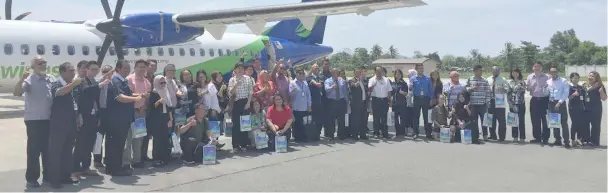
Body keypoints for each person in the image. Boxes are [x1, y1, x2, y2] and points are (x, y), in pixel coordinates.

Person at [13, 56, 54, 188]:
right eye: (40, 63)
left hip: (49, 120)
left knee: (48, 150)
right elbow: (17, 93)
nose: (43, 65)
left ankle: (48, 176)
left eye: (45, 63)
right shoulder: (29, 80)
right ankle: (32, 179)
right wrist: (21, 80)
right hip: (34, 120)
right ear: (33, 66)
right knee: (34, 151)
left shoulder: (51, 78)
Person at [104, 60, 143, 176]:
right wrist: (135, 99)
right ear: (118, 69)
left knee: (119, 144)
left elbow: (128, 94)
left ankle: (115, 166)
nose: (127, 70)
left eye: (128, 68)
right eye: (125, 68)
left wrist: (140, 95)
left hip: (124, 118)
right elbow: (119, 97)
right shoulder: (115, 81)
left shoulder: (123, 81)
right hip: (117, 119)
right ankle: (114, 168)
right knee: (116, 144)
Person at [72, 61, 110, 178]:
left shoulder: (93, 81)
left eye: (96, 69)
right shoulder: (81, 81)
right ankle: (75, 168)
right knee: (81, 143)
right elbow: (85, 92)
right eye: (92, 69)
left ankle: (86, 166)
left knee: (89, 143)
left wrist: (98, 116)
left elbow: (96, 99)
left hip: (94, 116)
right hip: (85, 116)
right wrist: (100, 85)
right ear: (86, 70)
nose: (95, 71)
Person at [47, 62, 81, 189]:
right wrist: (73, 84)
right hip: (59, 124)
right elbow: (59, 93)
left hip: (71, 123)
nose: (73, 72)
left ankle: (65, 176)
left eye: (73, 70)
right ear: (63, 72)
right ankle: (54, 180)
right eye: (71, 70)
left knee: (67, 151)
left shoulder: (72, 85)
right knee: (56, 152)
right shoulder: (56, 83)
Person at [123, 60, 151, 169]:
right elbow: (128, 94)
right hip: (131, 112)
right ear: (135, 67)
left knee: (139, 138)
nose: (142, 69)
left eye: (144, 67)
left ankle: (137, 160)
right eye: (139, 67)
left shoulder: (147, 81)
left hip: (141, 112)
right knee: (128, 138)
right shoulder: (129, 79)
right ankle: (126, 161)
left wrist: (143, 106)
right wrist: (141, 95)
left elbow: (147, 96)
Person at [148, 75, 174, 167]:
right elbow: (151, 107)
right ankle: (156, 158)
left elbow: (169, 107)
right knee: (157, 140)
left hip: (165, 117)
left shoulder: (166, 91)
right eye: (161, 83)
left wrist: (170, 119)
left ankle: (164, 157)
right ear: (156, 83)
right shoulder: (154, 93)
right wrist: (159, 101)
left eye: (164, 82)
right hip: (156, 119)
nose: (163, 84)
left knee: (165, 138)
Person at [228, 63, 254, 152]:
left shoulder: (247, 79)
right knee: (236, 125)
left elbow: (250, 92)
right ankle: (235, 145)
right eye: (237, 68)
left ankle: (243, 144)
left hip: (245, 102)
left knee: (245, 125)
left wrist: (248, 103)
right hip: (236, 103)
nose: (239, 70)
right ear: (235, 69)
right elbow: (230, 92)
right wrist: (236, 85)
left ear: (244, 70)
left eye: (241, 68)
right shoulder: (232, 80)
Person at [545, 66, 570, 148]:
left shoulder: (563, 81)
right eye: (551, 72)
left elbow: (566, 93)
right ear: (549, 73)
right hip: (551, 103)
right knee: (555, 123)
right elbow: (546, 93)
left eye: (555, 71)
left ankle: (566, 141)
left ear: (557, 72)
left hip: (560, 103)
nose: (553, 73)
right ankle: (558, 140)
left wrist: (559, 102)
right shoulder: (548, 81)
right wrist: (544, 88)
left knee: (563, 123)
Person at [94, 65, 114, 167]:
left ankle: (109, 159)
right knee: (98, 138)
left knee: (110, 138)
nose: (107, 73)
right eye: (104, 71)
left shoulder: (114, 83)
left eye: (109, 71)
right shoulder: (98, 82)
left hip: (111, 113)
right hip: (100, 112)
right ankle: (97, 160)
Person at [465, 65, 490, 144]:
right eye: (479, 70)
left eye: (481, 70)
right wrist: (471, 89)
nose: (481, 72)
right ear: (474, 71)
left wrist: (487, 102)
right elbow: (466, 89)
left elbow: (488, 92)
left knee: (484, 121)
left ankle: (485, 135)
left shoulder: (485, 80)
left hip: (482, 104)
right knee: (474, 121)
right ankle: (476, 135)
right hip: (473, 104)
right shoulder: (470, 79)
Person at [526, 62, 550, 143]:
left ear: (542, 68)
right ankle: (537, 137)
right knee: (535, 120)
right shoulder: (530, 77)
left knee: (545, 120)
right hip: (534, 100)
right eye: (535, 66)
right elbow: (528, 88)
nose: (537, 68)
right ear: (533, 68)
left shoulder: (547, 77)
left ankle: (545, 138)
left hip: (544, 100)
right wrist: (528, 87)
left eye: (539, 66)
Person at [324, 68, 349, 140]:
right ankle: (331, 135)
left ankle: (341, 135)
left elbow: (345, 92)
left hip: (341, 101)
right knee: (331, 120)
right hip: (332, 102)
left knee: (341, 119)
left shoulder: (341, 80)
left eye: (336, 72)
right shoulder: (328, 80)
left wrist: (347, 101)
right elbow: (326, 89)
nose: (335, 73)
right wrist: (332, 87)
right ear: (331, 73)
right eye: (334, 72)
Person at [410, 63, 433, 140]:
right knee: (416, 117)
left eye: (422, 68)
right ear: (416, 69)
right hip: (417, 98)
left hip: (426, 99)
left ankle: (428, 133)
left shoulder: (427, 78)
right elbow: (411, 89)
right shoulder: (413, 78)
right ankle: (415, 133)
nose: (421, 70)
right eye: (419, 68)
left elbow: (430, 90)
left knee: (426, 117)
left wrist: (431, 99)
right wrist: (410, 87)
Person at [583, 71, 606, 146]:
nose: (590, 77)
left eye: (592, 76)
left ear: (596, 78)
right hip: (586, 107)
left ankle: (594, 141)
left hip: (596, 108)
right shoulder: (585, 85)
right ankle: (586, 140)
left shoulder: (600, 86)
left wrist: (601, 92)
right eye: (589, 76)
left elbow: (604, 98)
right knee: (585, 124)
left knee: (595, 125)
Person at [289, 68, 312, 142]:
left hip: (304, 107)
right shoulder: (292, 82)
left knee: (304, 123)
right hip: (296, 106)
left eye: (303, 74)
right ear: (296, 74)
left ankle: (304, 136)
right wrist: (293, 91)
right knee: (297, 123)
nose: (302, 75)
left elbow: (308, 94)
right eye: (300, 73)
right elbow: (289, 94)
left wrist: (309, 105)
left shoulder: (305, 83)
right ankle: (297, 137)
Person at [486, 66, 509, 141]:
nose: (495, 71)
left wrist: (502, 88)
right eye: (493, 70)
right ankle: (493, 135)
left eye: (496, 70)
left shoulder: (503, 79)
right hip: (490, 100)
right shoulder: (488, 79)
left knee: (501, 120)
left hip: (499, 100)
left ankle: (502, 136)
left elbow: (507, 89)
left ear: (499, 71)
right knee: (491, 119)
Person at [142, 59, 158, 162]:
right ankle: (139, 156)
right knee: (141, 134)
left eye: (155, 66)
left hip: (153, 109)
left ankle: (144, 155)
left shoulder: (155, 78)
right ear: (147, 66)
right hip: (143, 109)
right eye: (151, 66)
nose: (153, 68)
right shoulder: (142, 78)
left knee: (148, 134)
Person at [348, 67, 369, 140]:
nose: (359, 73)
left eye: (359, 72)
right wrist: (359, 81)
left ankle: (363, 134)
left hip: (363, 103)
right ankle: (355, 135)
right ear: (354, 73)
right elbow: (354, 85)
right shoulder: (351, 80)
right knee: (355, 120)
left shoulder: (364, 81)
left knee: (363, 120)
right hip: (356, 104)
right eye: (357, 72)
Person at [507, 68, 526, 143]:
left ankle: (522, 137)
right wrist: (510, 104)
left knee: (521, 121)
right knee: (513, 121)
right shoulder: (509, 82)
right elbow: (508, 93)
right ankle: (515, 137)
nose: (515, 74)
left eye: (516, 72)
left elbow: (523, 91)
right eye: (513, 72)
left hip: (521, 103)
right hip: (512, 103)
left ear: (519, 73)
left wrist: (519, 86)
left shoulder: (522, 81)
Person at [568, 72, 586, 147]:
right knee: (574, 123)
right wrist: (573, 94)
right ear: (571, 79)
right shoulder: (569, 87)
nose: (576, 79)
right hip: (573, 108)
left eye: (577, 78)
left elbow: (584, 96)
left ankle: (579, 139)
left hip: (580, 107)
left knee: (580, 124)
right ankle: (572, 140)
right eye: (574, 78)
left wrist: (585, 89)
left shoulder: (580, 87)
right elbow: (568, 97)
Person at [390, 69, 408, 137]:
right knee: (395, 119)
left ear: (401, 75)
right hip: (394, 104)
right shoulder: (393, 83)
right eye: (396, 74)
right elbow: (391, 93)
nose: (398, 75)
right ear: (394, 75)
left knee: (402, 119)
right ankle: (397, 131)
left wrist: (403, 92)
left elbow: (406, 93)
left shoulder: (404, 83)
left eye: (399, 74)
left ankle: (402, 132)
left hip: (402, 104)